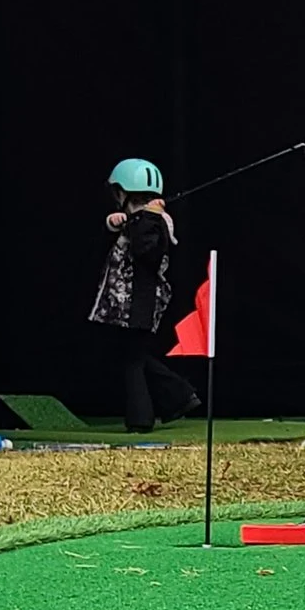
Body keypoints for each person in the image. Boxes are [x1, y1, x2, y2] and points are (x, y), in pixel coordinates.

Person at [90, 157, 202, 432]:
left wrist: (147, 218)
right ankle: (180, 397)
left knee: (132, 360)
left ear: (123, 192)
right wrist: (115, 223)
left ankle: (141, 420)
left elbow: (146, 252)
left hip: (139, 302)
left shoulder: (155, 222)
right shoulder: (136, 220)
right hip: (122, 304)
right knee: (132, 356)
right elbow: (109, 239)